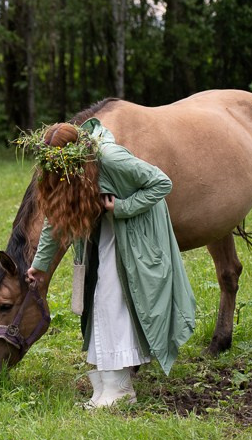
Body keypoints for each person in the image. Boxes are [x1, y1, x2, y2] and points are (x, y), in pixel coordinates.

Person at [23, 118, 195, 407]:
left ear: (76, 156)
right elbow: (56, 215)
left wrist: (123, 207)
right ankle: (106, 387)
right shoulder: (61, 170)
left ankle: (120, 390)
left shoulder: (110, 158)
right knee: (97, 302)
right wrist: (39, 265)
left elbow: (161, 183)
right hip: (105, 233)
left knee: (110, 300)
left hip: (133, 231)